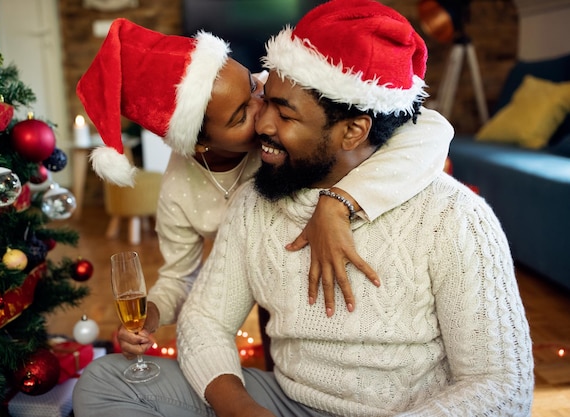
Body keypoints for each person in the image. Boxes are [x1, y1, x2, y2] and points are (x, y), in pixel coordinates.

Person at [74, 0, 533, 415]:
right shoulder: (254, 199)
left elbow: (501, 386)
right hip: (287, 401)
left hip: (406, 409)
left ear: (352, 132)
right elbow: (205, 318)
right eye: (261, 102)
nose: (262, 123)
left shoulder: (453, 217)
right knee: (105, 381)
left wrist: (338, 204)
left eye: (283, 113)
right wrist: (242, 410)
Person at [75, 14, 454, 365]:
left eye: (256, 88)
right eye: (242, 115)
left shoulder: (281, 97)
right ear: (200, 145)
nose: (265, 114)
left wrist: (337, 203)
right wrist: (150, 316)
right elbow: (178, 277)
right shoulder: (179, 190)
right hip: (270, 294)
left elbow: (433, 128)